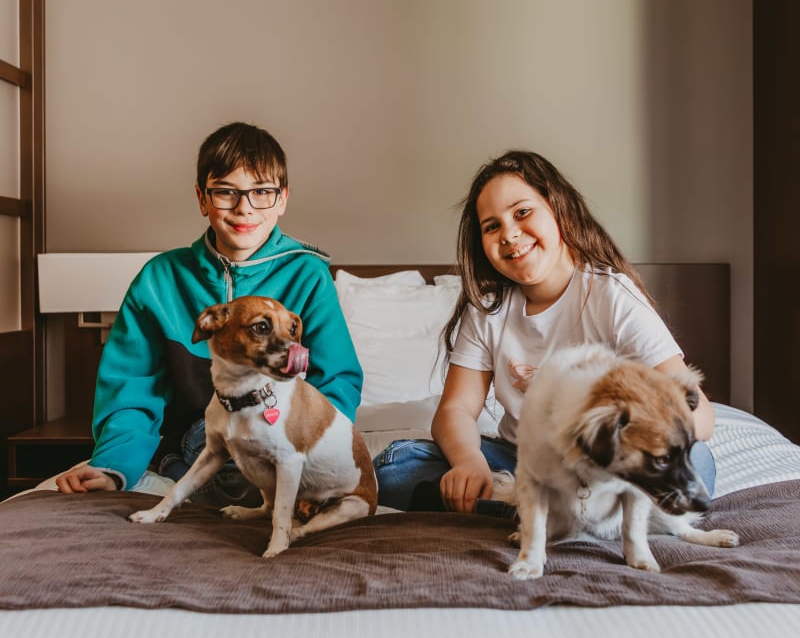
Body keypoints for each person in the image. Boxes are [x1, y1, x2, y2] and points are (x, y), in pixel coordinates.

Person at [374, 150, 717, 513]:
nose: (509, 234)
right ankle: (567, 512)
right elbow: (455, 410)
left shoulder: (612, 296)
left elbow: (702, 416)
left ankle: (529, 509)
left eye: (522, 213)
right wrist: (468, 462)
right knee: (394, 467)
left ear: (559, 210)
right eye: (492, 226)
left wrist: (620, 451)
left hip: (607, 466)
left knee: (697, 463)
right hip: (522, 459)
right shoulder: (488, 309)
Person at [56, 121, 362, 506]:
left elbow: (335, 383)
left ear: (282, 199)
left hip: (278, 442)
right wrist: (113, 466)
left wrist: (316, 464)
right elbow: (131, 388)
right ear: (202, 199)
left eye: (261, 192)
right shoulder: (159, 280)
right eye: (225, 193)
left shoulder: (309, 276)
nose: (244, 208)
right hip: (189, 449)